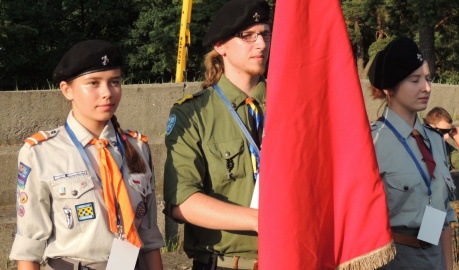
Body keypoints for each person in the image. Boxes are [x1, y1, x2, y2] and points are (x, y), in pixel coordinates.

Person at [9, 40, 164, 270]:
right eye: (93, 83)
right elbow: (29, 246)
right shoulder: (41, 153)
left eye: (115, 82)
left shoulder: (137, 148)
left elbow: (149, 237)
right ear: (67, 90)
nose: (107, 93)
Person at [163, 0, 270, 269]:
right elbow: (182, 202)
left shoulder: (293, 106)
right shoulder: (195, 113)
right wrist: (261, 220)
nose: (261, 44)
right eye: (248, 36)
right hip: (224, 263)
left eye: (265, 34)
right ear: (220, 46)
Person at [369, 37, 456, 270]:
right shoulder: (371, 143)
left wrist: (448, 266)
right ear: (390, 88)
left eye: (427, 79)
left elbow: (444, 213)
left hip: (435, 256)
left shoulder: (435, 141)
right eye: (415, 80)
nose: (426, 88)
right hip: (394, 260)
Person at [424, 107, 459, 188]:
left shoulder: (445, 148)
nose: (447, 137)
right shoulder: (416, 145)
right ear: (428, 127)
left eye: (448, 131)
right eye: (442, 131)